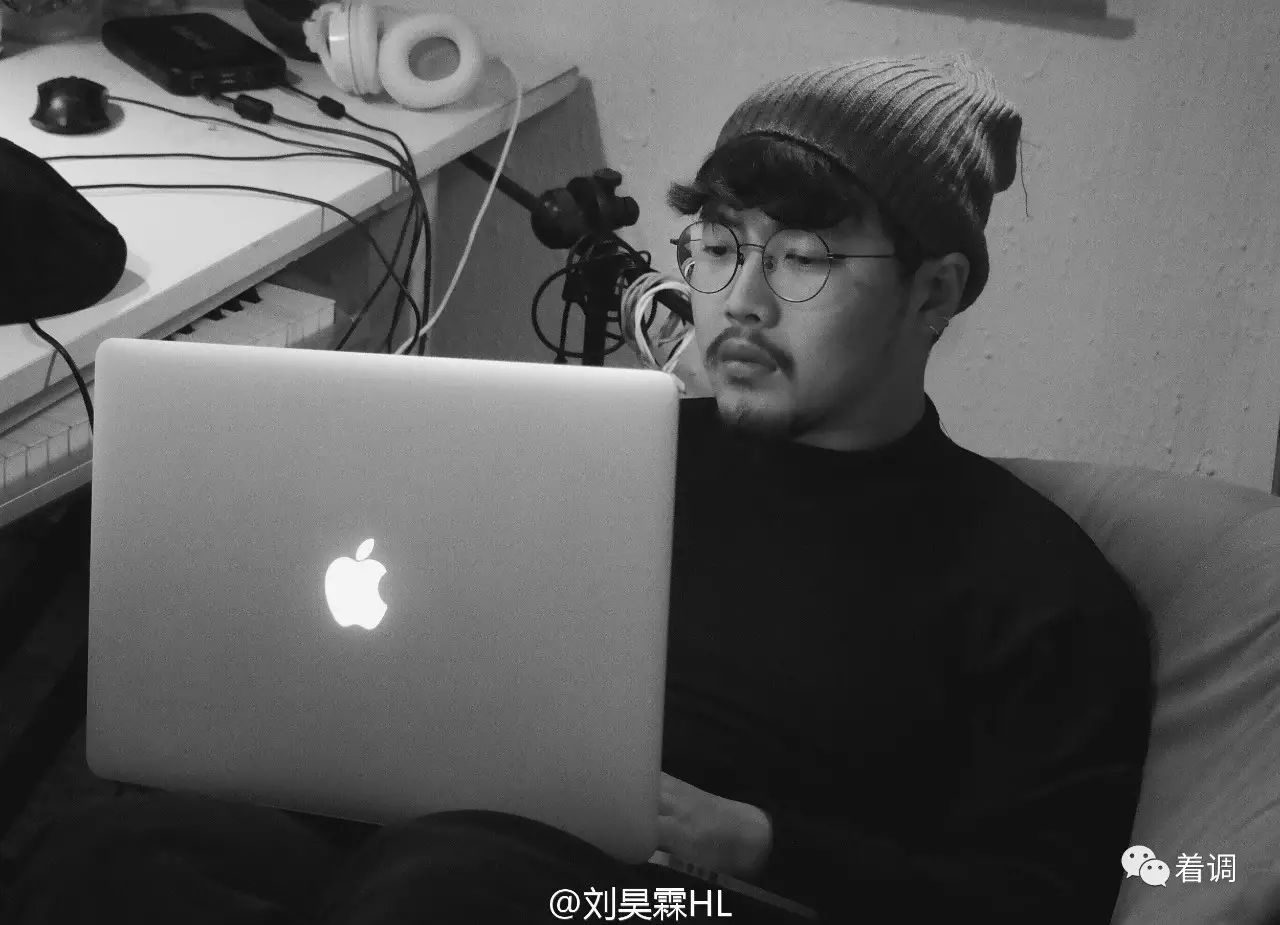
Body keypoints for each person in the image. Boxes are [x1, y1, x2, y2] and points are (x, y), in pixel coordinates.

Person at [3, 52, 1152, 924]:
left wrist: (755, 840)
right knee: (113, 853)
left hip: (696, 897)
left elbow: (1043, 897)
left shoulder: (1034, 588)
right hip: (439, 837)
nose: (740, 301)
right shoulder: (605, 454)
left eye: (802, 259)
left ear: (933, 292)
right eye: (718, 246)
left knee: (443, 885)